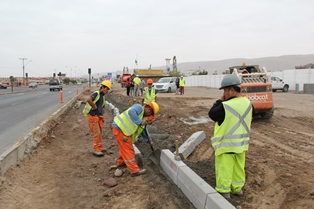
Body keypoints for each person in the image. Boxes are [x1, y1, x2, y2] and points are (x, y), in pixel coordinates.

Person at [208, 74, 253, 199]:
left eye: (225, 91)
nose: (224, 93)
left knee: (225, 168)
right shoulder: (248, 103)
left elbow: (212, 114)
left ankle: (224, 191)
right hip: (241, 145)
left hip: (226, 145)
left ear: (231, 90)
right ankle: (237, 189)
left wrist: (220, 100)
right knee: (238, 168)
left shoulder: (225, 106)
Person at [111, 102, 159, 176]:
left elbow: (144, 130)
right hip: (120, 129)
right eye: (150, 113)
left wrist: (148, 140)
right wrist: (139, 122)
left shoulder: (142, 118)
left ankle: (121, 163)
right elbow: (131, 111)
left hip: (122, 131)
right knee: (128, 150)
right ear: (149, 110)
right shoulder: (139, 107)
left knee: (124, 148)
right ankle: (134, 171)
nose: (149, 116)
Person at [83, 80, 113, 157]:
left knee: (100, 133)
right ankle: (96, 149)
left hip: (98, 117)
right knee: (97, 133)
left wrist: (101, 113)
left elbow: (101, 106)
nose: (107, 91)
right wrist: (94, 106)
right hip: (93, 117)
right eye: (107, 89)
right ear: (103, 87)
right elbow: (89, 99)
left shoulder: (102, 96)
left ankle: (99, 147)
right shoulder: (96, 94)